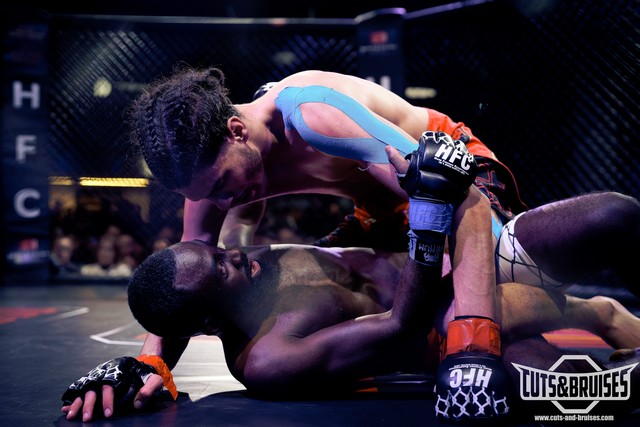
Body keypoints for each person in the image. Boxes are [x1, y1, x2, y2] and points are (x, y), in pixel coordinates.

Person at [62, 137, 640, 422]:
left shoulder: (233, 254)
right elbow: (400, 323)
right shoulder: (267, 358)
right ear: (211, 321)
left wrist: (149, 362)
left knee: (615, 214)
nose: (237, 257)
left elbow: (218, 199)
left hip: (470, 254)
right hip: (450, 331)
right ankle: (599, 315)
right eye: (225, 270)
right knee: (549, 388)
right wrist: (427, 219)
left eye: (222, 254)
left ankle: (601, 314)